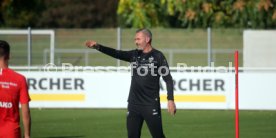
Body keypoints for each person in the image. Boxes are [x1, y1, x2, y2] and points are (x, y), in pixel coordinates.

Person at [85, 29, 176, 138]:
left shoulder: (158, 56)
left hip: (150, 104)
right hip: (134, 105)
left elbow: (168, 79)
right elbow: (116, 53)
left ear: (147, 39)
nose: (136, 42)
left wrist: (170, 99)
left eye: (138, 39)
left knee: (158, 136)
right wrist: (98, 47)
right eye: (135, 39)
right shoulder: (134, 54)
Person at [0, 40, 31, 138]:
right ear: (9, 56)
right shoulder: (19, 79)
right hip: (11, 132)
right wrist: (27, 135)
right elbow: (26, 112)